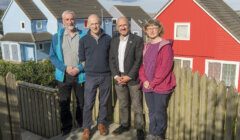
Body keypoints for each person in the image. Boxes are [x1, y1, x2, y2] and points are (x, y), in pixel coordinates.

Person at [49, 10, 85, 136]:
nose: (70, 22)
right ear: (63, 21)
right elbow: (52, 57)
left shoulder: (83, 35)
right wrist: (65, 68)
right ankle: (67, 128)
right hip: (63, 76)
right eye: (67, 19)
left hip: (80, 75)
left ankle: (81, 125)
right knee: (64, 104)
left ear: (75, 20)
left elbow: (89, 56)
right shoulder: (56, 37)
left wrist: (79, 68)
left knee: (82, 103)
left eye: (72, 19)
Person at [139, 19, 176, 140]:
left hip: (161, 86)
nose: (152, 30)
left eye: (154, 27)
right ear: (146, 31)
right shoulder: (147, 46)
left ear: (159, 29)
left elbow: (165, 67)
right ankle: (152, 133)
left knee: (159, 112)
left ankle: (159, 135)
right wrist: (144, 80)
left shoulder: (165, 46)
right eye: (149, 28)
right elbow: (142, 66)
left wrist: (153, 83)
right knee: (151, 111)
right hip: (147, 85)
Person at [109, 17, 145, 140]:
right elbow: (112, 60)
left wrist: (129, 76)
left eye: (125, 25)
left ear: (129, 26)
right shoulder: (113, 41)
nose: (123, 27)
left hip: (133, 78)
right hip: (119, 78)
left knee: (136, 104)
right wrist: (116, 76)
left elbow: (138, 60)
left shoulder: (137, 40)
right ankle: (124, 125)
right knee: (123, 103)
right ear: (117, 27)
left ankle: (140, 129)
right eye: (120, 26)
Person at [79, 14, 112, 140]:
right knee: (88, 103)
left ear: (100, 23)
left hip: (106, 75)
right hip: (91, 76)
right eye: (92, 24)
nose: (95, 26)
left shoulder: (108, 39)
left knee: (104, 102)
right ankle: (87, 128)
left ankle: (101, 123)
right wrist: (89, 68)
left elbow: (111, 57)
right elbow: (82, 58)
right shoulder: (83, 40)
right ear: (88, 25)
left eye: (97, 23)